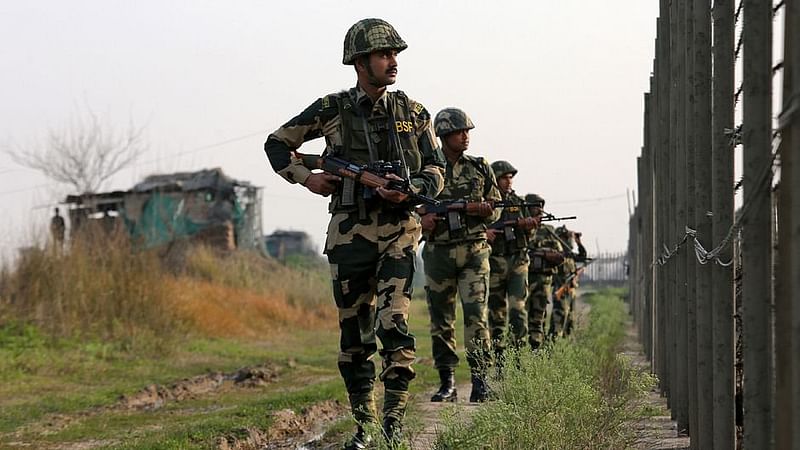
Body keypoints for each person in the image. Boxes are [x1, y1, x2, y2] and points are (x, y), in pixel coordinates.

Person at [263, 18, 445, 448]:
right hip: (348, 236)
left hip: (400, 232)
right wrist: (305, 178)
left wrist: (412, 191)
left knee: (394, 322)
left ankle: (394, 425)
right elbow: (276, 143)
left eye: (395, 54)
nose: (393, 61)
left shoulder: (414, 113)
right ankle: (364, 427)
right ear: (360, 62)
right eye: (385, 54)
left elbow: (435, 169)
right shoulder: (331, 108)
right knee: (354, 333)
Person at [420, 108, 501, 403]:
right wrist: (422, 220)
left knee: (476, 317)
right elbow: (408, 205)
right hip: (438, 252)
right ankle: (447, 383)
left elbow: (499, 209)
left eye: (467, 131)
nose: (465, 136)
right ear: (443, 135)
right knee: (441, 319)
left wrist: (483, 210)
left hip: (474, 252)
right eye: (459, 131)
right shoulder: (426, 168)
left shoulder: (480, 168)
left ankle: (480, 382)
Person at [486, 161, 536, 365]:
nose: (508, 181)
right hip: (495, 261)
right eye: (504, 177)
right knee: (496, 313)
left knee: (517, 309)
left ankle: (518, 360)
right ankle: (498, 359)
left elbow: (531, 234)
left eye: (510, 177)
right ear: (495, 180)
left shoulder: (519, 202)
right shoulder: (487, 201)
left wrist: (527, 226)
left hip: (517, 261)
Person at [524, 194, 564, 350]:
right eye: (535, 206)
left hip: (542, 279)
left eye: (540, 206)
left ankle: (536, 349)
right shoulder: (521, 228)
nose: (539, 209)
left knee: (538, 317)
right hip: (523, 277)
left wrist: (545, 254)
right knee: (519, 316)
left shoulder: (549, 230)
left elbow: (561, 256)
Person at [549, 226, 587, 338]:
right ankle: (552, 344)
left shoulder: (570, 255)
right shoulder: (556, 255)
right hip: (560, 291)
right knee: (558, 320)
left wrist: (578, 242)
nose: (569, 240)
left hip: (570, 292)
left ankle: (564, 345)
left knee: (570, 320)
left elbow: (582, 256)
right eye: (566, 237)